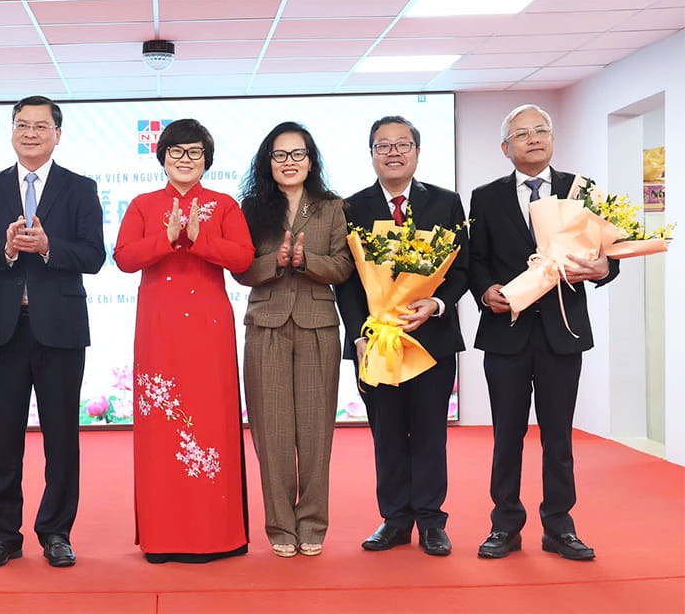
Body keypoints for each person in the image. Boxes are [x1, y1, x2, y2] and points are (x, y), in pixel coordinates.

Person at [468, 104, 617, 561]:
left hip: (562, 332)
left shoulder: (581, 190)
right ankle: (504, 526)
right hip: (506, 332)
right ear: (505, 148)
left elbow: (608, 253)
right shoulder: (485, 196)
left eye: (541, 130)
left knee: (558, 437)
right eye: (522, 133)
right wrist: (485, 291)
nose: (533, 138)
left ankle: (559, 526)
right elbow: (476, 260)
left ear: (552, 138)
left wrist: (604, 268)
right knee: (506, 436)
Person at [0, 95, 105, 568]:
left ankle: (56, 532)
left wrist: (48, 246)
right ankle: (3, 535)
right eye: (22, 124)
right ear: (12, 131)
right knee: (1, 438)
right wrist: (5, 251)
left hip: (61, 330)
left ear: (57, 135)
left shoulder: (79, 188)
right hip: (6, 328)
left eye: (40, 126)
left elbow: (94, 256)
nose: (30, 133)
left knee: (61, 437)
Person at [113, 119, 254, 563]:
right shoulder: (143, 205)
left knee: (213, 420)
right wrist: (167, 237)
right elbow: (124, 258)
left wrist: (199, 238)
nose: (185, 159)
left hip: (209, 331)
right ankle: (164, 536)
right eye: (176, 151)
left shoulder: (224, 205)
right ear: (162, 157)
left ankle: (219, 535)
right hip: (159, 329)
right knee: (161, 429)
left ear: (207, 159)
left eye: (194, 152)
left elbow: (243, 259)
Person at [334, 116, 468, 557]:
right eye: (383, 145)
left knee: (430, 433)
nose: (393, 152)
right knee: (387, 434)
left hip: (430, 340)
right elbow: (347, 282)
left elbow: (462, 269)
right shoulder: (350, 208)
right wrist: (359, 334)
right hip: (376, 343)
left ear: (417, 151)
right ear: (372, 153)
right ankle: (394, 520)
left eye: (402, 144)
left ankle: (431, 521)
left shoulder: (446, 203)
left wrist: (437, 303)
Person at [234, 121, 353, 558]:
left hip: (318, 325)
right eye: (280, 155)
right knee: (272, 432)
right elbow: (240, 268)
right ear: (268, 162)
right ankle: (281, 525)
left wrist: (307, 261)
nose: (289, 162)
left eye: (297, 154)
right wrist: (275, 261)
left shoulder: (333, 207)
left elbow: (344, 266)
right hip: (265, 323)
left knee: (317, 433)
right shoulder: (251, 208)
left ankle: (313, 523)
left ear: (311, 160)